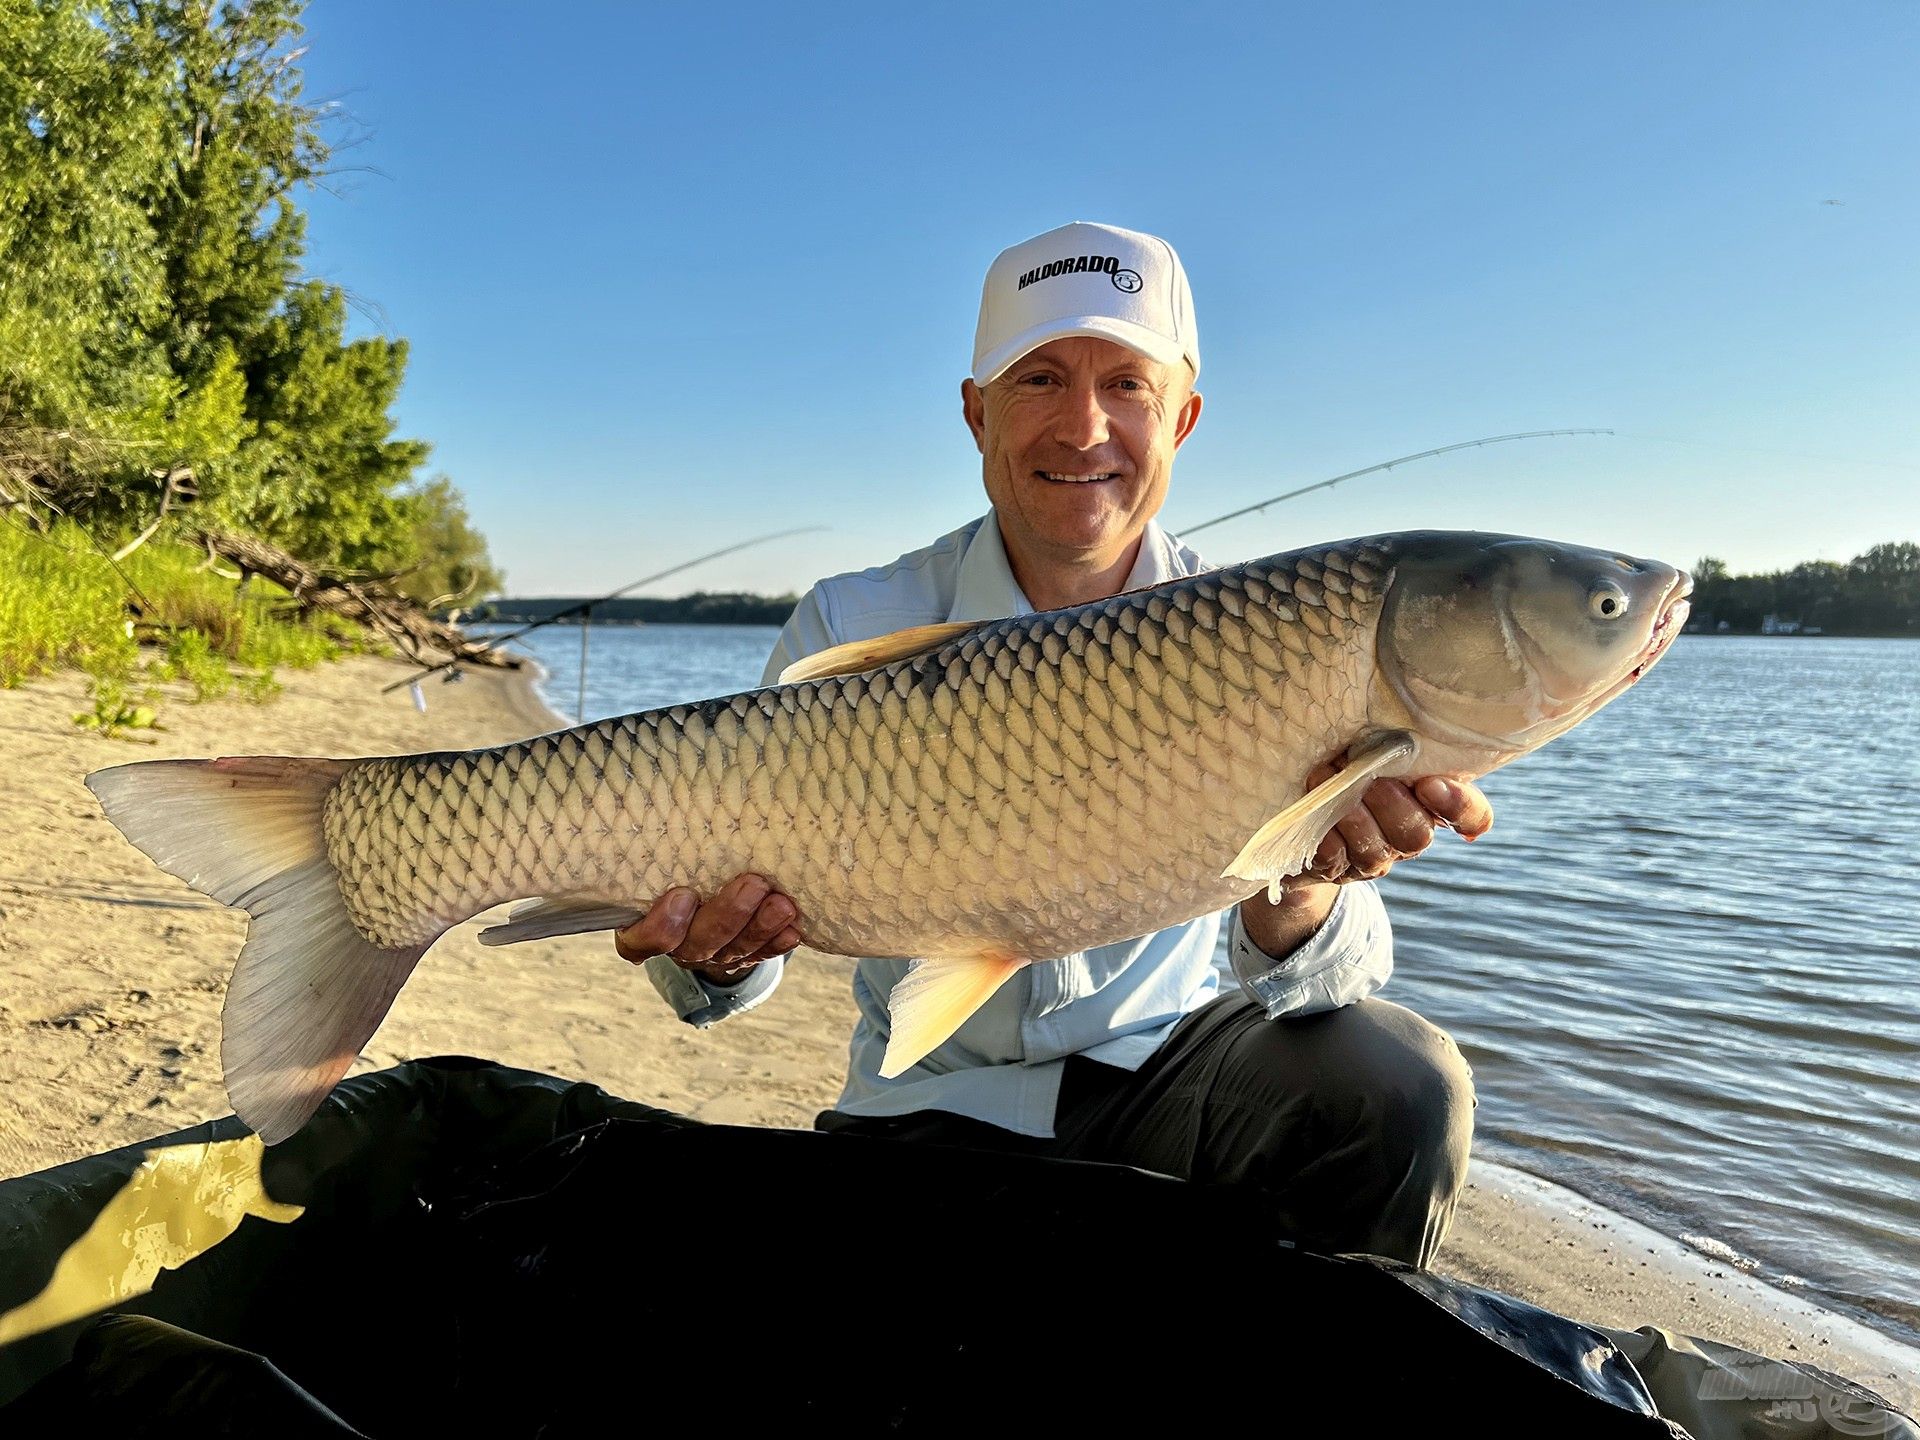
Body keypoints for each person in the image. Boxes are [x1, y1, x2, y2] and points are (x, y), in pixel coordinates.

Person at [613, 222, 1491, 1268]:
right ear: (976, 413)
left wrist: (1298, 891)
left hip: (1167, 1079)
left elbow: (1314, 990)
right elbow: (709, 982)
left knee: (1401, 1085)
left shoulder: (1280, 630)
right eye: (1039, 379)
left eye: (1127, 384)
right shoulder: (853, 626)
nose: (1084, 428)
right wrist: (716, 961)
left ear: (1184, 416)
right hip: (924, 1092)